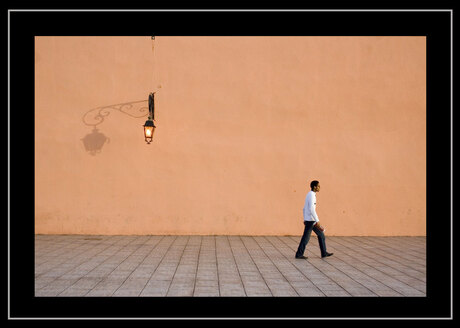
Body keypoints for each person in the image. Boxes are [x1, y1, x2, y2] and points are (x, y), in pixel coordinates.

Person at [295, 180, 333, 259]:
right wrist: (317, 220)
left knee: (321, 235)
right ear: (314, 187)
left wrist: (305, 218)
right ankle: (299, 254)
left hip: (310, 220)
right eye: (318, 186)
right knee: (306, 238)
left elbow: (304, 208)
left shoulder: (310, 194)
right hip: (311, 221)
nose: (319, 188)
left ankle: (324, 253)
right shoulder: (311, 195)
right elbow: (311, 209)